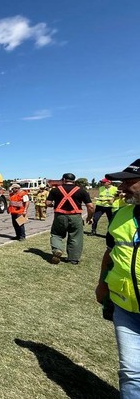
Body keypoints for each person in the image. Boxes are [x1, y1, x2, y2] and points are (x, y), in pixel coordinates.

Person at [94, 159, 140, 397]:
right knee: (131, 372)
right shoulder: (121, 215)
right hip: (126, 308)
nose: (121, 188)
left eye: (128, 182)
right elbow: (110, 253)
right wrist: (102, 284)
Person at [46, 173, 94, 264]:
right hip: (75, 217)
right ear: (74, 181)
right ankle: (73, 259)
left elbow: (48, 203)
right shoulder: (82, 191)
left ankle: (57, 249)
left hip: (60, 216)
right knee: (75, 237)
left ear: (64, 179)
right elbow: (90, 207)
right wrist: (89, 217)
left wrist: (52, 205)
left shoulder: (55, 190)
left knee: (56, 234)